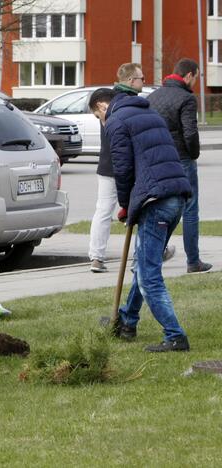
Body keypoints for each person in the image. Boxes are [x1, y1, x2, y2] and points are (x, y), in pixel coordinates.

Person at [90, 88, 193, 352]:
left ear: (102, 106)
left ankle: (175, 336)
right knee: (145, 264)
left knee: (148, 275)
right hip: (176, 195)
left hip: (155, 201)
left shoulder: (116, 121)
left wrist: (125, 205)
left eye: (96, 116)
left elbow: (122, 168)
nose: (100, 122)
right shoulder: (149, 112)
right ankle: (127, 320)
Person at [146, 58, 213, 274]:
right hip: (182, 159)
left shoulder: (153, 97)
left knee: (163, 207)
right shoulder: (186, 98)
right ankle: (193, 261)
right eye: (196, 76)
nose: (196, 81)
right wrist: (194, 155)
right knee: (190, 209)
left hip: (158, 159)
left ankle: (152, 252)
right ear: (188, 75)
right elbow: (190, 132)